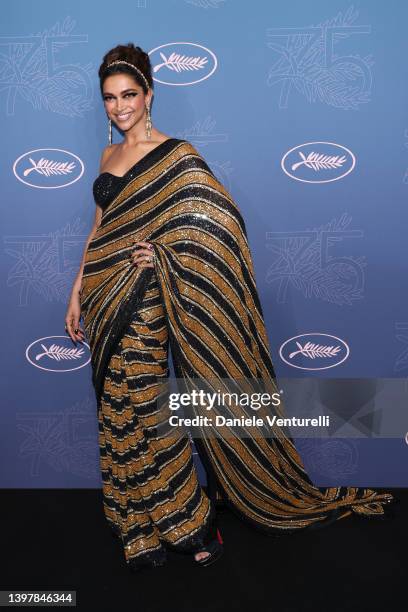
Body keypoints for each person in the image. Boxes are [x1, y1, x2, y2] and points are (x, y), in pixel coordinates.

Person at [65, 43, 394, 572]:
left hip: (146, 295)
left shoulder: (178, 155)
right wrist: (77, 289)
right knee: (114, 408)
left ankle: (185, 519)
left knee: (149, 405)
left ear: (149, 94)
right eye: (109, 98)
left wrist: (164, 251)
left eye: (129, 94)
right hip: (102, 293)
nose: (119, 106)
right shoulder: (106, 158)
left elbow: (216, 219)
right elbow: (98, 229)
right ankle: (136, 522)